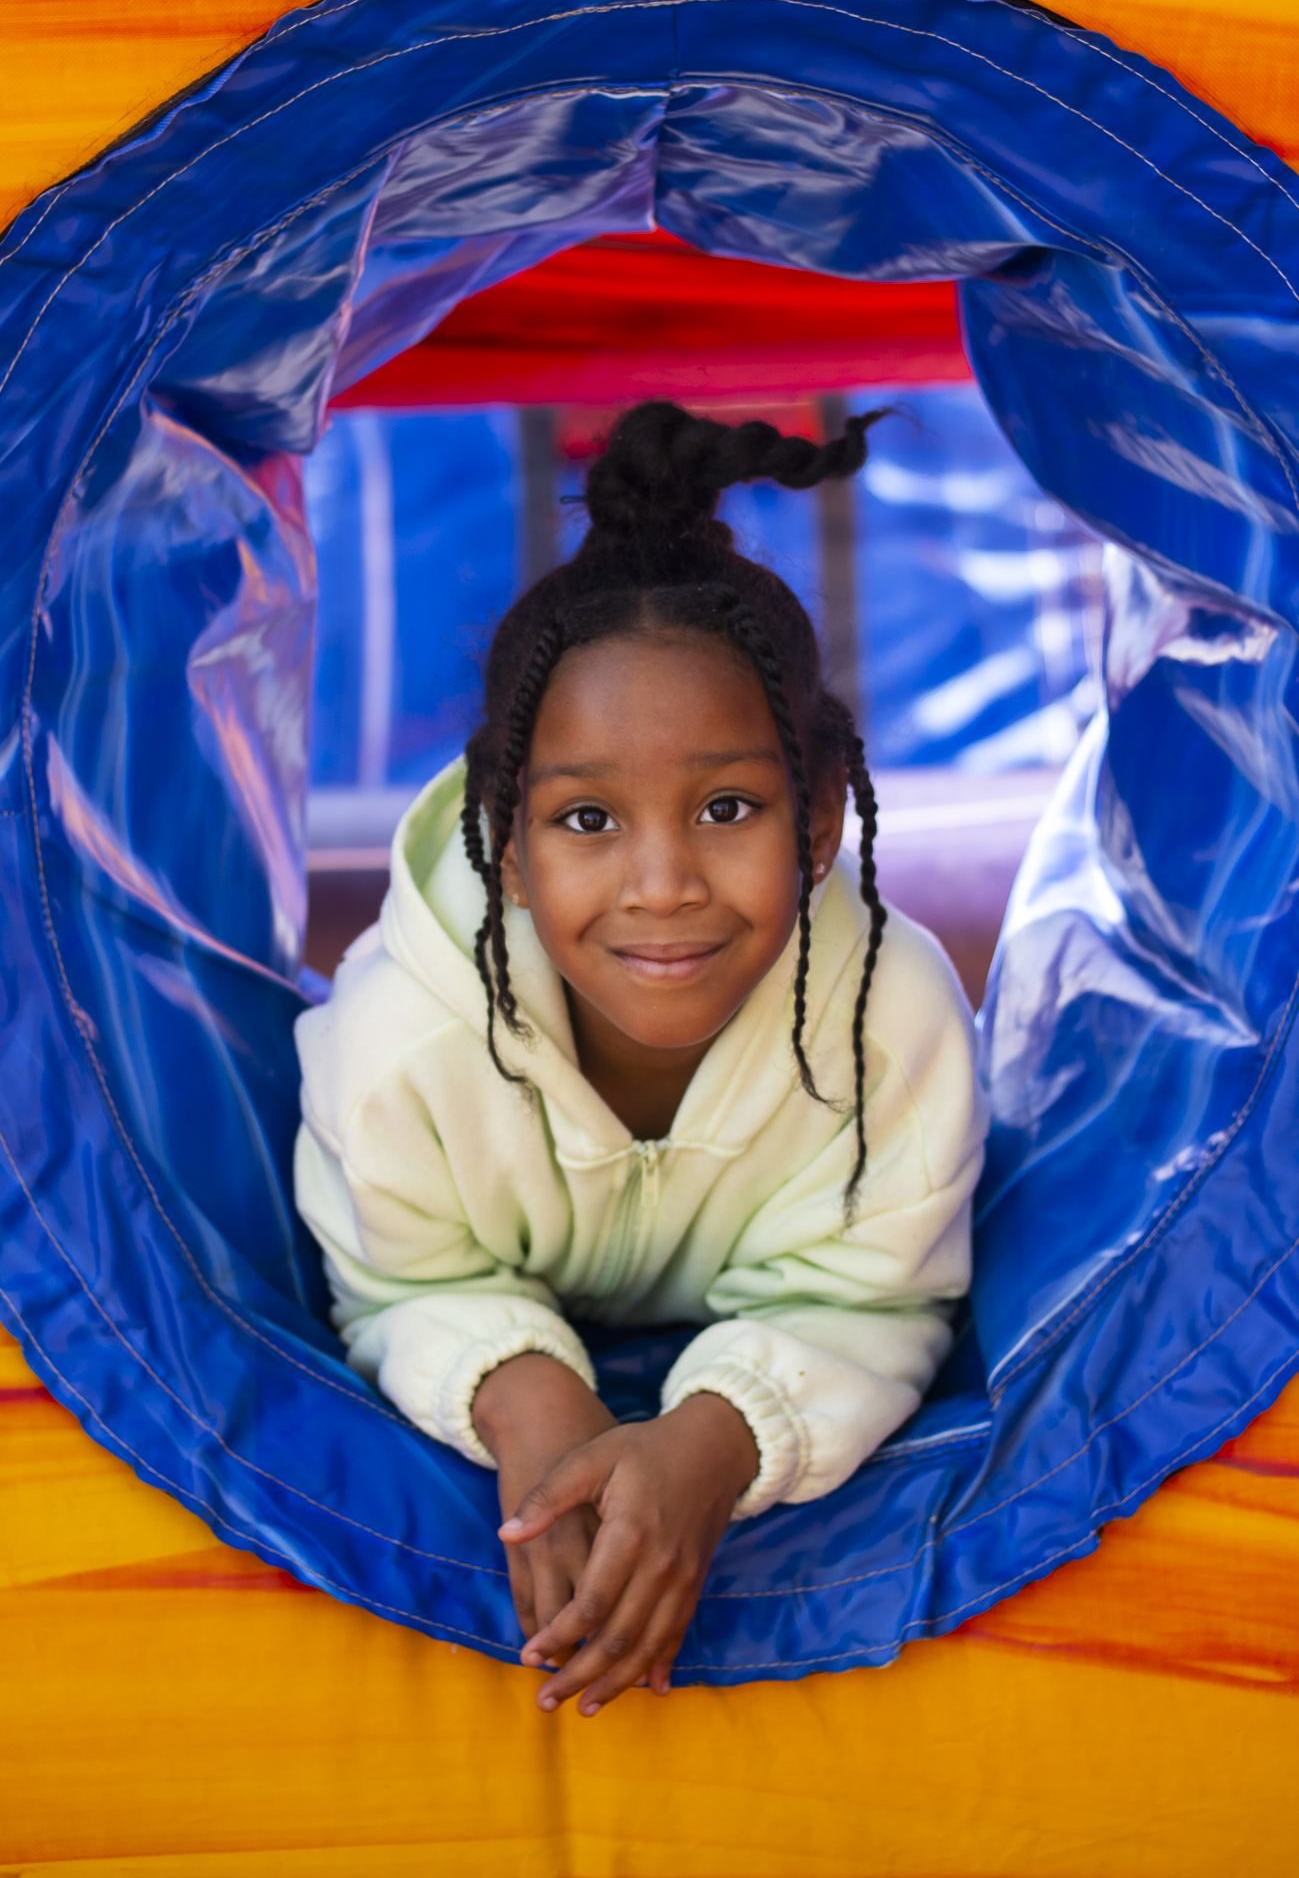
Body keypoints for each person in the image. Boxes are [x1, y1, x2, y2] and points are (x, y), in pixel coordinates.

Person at [294, 400, 988, 1717]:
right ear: (505, 830)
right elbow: (394, 1282)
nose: (661, 885)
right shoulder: (404, 1049)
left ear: (824, 813)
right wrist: (531, 1403)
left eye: (728, 808)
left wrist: (714, 1444)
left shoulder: (886, 1025)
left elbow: (876, 1300)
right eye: (588, 819)